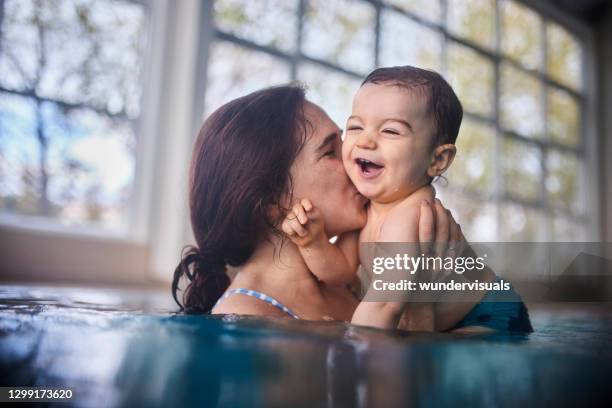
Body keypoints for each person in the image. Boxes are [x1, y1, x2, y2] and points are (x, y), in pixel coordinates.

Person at [171, 84, 464, 327]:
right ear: (273, 202)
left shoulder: (347, 279)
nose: (355, 159)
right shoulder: (247, 318)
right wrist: (420, 308)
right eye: (330, 152)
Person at [281, 66, 533, 333]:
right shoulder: (369, 207)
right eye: (355, 126)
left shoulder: (411, 216)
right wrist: (313, 242)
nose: (365, 141)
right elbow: (341, 270)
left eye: (390, 131)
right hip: (447, 320)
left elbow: (385, 305)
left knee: (454, 362)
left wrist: (352, 347)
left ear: (437, 160)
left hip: (487, 313)